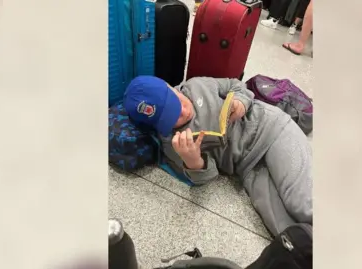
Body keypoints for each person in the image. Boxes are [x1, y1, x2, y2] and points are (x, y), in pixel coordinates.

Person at [123, 76, 313, 236]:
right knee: (287, 231)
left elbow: (236, 85)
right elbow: (209, 176)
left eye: (176, 102)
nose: (182, 112)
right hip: (249, 168)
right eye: (171, 117)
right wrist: (193, 161)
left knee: (302, 204)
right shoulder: (173, 143)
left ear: (170, 87)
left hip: (271, 130)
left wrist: (240, 101)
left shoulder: (197, 85)